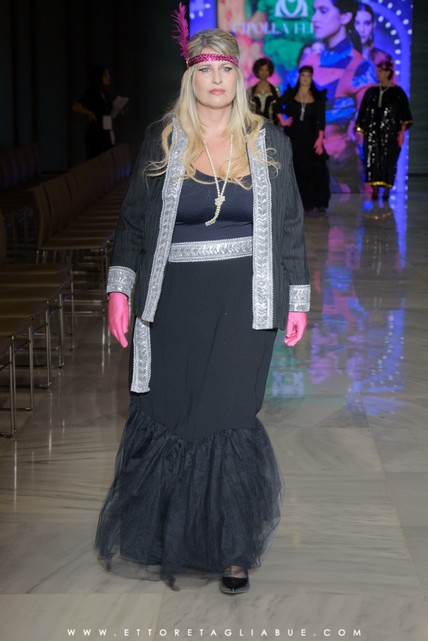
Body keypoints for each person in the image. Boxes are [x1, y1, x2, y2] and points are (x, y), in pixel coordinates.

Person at [95, 24, 310, 595]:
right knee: (174, 410)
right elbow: (133, 223)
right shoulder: (163, 138)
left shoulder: (269, 141)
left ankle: (233, 549)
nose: (216, 79)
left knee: (228, 415)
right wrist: (120, 290)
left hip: (245, 300)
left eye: (226, 69)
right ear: (190, 77)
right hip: (172, 300)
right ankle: (170, 535)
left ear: (239, 76)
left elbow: (290, 224)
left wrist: (297, 297)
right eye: (205, 69)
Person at [302, 0, 377, 192]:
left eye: (323, 11)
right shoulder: (310, 61)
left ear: (345, 16)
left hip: (341, 171)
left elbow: (371, 129)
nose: (314, 18)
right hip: (304, 165)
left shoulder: (360, 68)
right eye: (314, 11)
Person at [275, 65, 330, 214]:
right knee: (295, 167)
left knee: (315, 168)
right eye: (303, 76)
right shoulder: (291, 93)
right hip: (294, 136)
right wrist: (283, 120)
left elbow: (321, 119)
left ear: (312, 78)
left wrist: (320, 139)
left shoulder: (317, 96)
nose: (305, 79)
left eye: (308, 76)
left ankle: (316, 201)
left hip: (311, 137)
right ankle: (293, 202)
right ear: (299, 77)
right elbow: (277, 106)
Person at [356, 59, 413, 199]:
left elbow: (404, 113)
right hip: (372, 132)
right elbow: (363, 112)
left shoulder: (397, 92)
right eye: (378, 70)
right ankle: (375, 189)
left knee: (389, 158)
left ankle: (387, 189)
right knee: (372, 158)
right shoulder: (371, 91)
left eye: (381, 71)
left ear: (388, 73)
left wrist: (401, 132)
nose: (378, 73)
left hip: (390, 132)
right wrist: (361, 131)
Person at [72, 65, 115, 159]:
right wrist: (89, 113)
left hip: (106, 130)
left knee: (107, 157)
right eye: (105, 75)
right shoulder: (92, 92)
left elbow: (107, 111)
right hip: (96, 132)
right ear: (99, 77)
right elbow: (76, 106)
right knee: (97, 159)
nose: (108, 77)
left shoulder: (105, 94)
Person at [355, 3, 392, 67]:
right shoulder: (340, 56)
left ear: (373, 25)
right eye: (357, 23)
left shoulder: (383, 58)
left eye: (367, 23)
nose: (361, 29)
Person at [247, 57, 280, 124]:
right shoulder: (250, 91)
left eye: (266, 70)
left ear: (270, 71)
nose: (264, 72)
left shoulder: (275, 90)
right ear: (257, 71)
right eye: (261, 69)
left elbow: (278, 109)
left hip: (271, 124)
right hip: (255, 124)